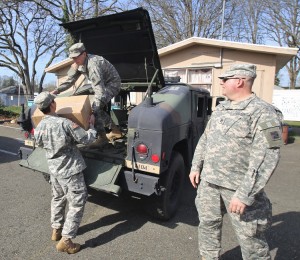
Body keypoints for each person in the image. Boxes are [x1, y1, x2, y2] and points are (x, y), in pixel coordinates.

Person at [189, 64, 283, 260]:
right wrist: (196, 165)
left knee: (251, 240)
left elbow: (267, 156)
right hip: (209, 183)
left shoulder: (264, 112)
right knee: (207, 226)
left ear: (239, 81)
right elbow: (206, 139)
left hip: (238, 188)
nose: (221, 83)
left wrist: (245, 194)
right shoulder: (221, 108)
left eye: (226, 79)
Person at [34, 91, 97, 254]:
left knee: (58, 198)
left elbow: (39, 143)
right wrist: (92, 126)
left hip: (54, 169)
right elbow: (87, 140)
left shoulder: (40, 125)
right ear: (53, 105)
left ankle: (56, 230)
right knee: (77, 202)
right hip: (70, 170)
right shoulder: (65, 123)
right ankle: (66, 240)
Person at [52, 42, 122, 148]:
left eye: (76, 57)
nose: (74, 60)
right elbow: (70, 81)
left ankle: (103, 138)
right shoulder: (79, 63)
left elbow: (100, 91)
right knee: (95, 108)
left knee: (95, 108)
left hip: (112, 84)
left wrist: (93, 111)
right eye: (72, 58)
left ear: (84, 54)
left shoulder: (93, 66)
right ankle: (115, 130)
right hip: (101, 85)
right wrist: (57, 91)